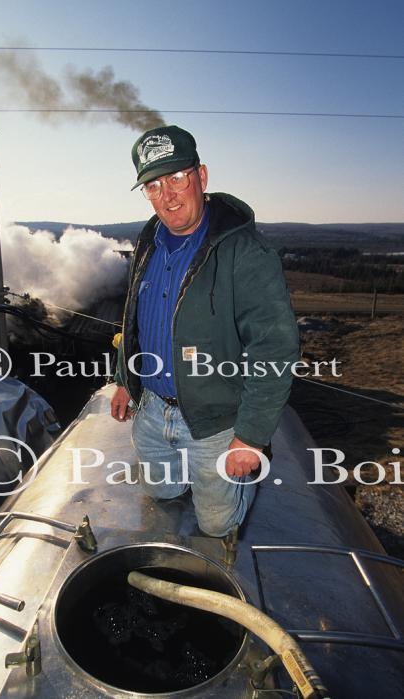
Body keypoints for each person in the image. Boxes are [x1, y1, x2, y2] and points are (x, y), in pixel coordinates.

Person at [111, 125, 299, 538]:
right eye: (154, 185)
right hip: (154, 407)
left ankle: (244, 478)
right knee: (162, 494)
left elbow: (274, 346)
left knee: (217, 524)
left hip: (216, 417)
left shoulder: (245, 251)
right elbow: (134, 319)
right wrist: (124, 379)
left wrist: (250, 437)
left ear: (203, 177)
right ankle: (189, 470)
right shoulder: (149, 241)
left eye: (178, 178)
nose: (168, 195)